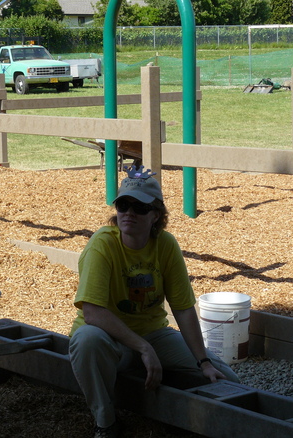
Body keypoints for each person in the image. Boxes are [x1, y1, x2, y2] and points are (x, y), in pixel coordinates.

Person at [69, 165, 240, 438]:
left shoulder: (165, 245)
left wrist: (204, 361)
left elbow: (183, 308)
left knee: (227, 379)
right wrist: (143, 348)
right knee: (86, 339)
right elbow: (92, 313)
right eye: (123, 205)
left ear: (156, 215)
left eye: (140, 207)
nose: (129, 213)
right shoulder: (102, 244)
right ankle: (105, 422)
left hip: (153, 333)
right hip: (110, 339)